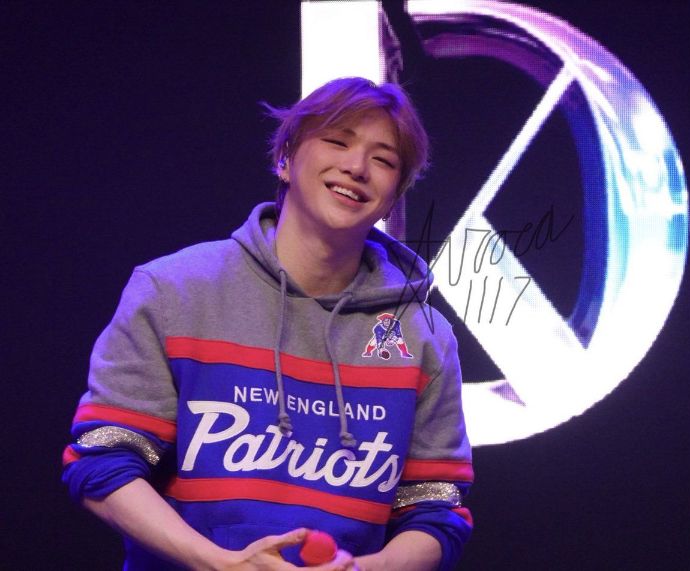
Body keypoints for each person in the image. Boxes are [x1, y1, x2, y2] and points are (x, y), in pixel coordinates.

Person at [63, 77, 474, 571]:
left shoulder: (425, 335)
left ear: (393, 197)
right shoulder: (174, 290)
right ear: (284, 159)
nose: (357, 166)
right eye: (337, 140)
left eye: (383, 160)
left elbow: (435, 510)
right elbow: (101, 462)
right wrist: (219, 563)